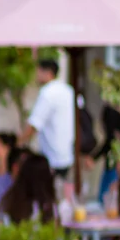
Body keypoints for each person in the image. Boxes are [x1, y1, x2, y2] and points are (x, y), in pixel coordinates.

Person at [21, 59, 75, 191]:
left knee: (48, 193)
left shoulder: (47, 92)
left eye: (38, 71)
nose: (36, 75)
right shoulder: (68, 90)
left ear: (48, 72)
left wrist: (18, 144)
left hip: (51, 156)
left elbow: (34, 124)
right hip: (66, 154)